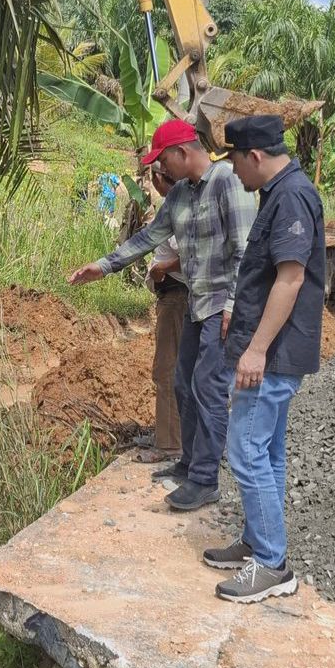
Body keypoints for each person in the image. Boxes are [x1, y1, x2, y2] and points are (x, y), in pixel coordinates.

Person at [68, 119, 256, 511]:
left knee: (208, 387)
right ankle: (188, 463)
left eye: (163, 160)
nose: (161, 170)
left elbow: (246, 250)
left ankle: (205, 480)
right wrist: (102, 266)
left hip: (222, 306)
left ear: (182, 152)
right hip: (196, 303)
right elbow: (146, 238)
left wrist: (234, 306)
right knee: (183, 382)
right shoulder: (181, 196)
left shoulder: (228, 182)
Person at [202, 114, 326, 604]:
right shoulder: (281, 192)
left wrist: (255, 349)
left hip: (272, 354)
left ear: (254, 156)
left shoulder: (291, 196)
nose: (233, 172)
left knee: (246, 452)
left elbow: (291, 279)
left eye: (234, 161)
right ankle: (257, 542)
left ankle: (271, 564)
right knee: (267, 452)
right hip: (273, 350)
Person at [136, 163, 187, 464]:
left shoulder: (177, 207)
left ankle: (169, 445)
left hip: (176, 295)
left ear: (158, 178)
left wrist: (160, 269)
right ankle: (170, 435)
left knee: (167, 369)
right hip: (174, 295)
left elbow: (190, 253)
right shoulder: (180, 203)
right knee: (172, 368)